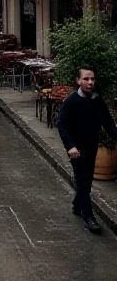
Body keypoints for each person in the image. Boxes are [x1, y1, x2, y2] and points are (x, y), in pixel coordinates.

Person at [57, 68, 117, 234]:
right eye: (86, 79)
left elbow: (108, 123)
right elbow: (62, 125)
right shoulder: (71, 101)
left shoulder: (97, 100)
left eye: (92, 79)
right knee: (83, 179)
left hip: (92, 147)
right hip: (77, 149)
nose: (90, 82)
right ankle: (88, 216)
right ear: (78, 81)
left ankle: (78, 204)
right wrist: (70, 146)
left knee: (87, 179)